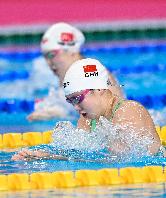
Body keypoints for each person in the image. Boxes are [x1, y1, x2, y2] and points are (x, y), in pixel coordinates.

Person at [12, 58, 162, 161]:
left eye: (78, 98)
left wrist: (54, 158)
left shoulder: (129, 111)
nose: (76, 107)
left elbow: (123, 161)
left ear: (99, 88)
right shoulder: (87, 121)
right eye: (70, 101)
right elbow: (84, 155)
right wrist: (44, 155)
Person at [28, 22, 123, 121]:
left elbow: (115, 115)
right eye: (45, 57)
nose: (48, 62)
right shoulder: (68, 77)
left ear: (71, 51)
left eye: (52, 55)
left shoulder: (92, 71)